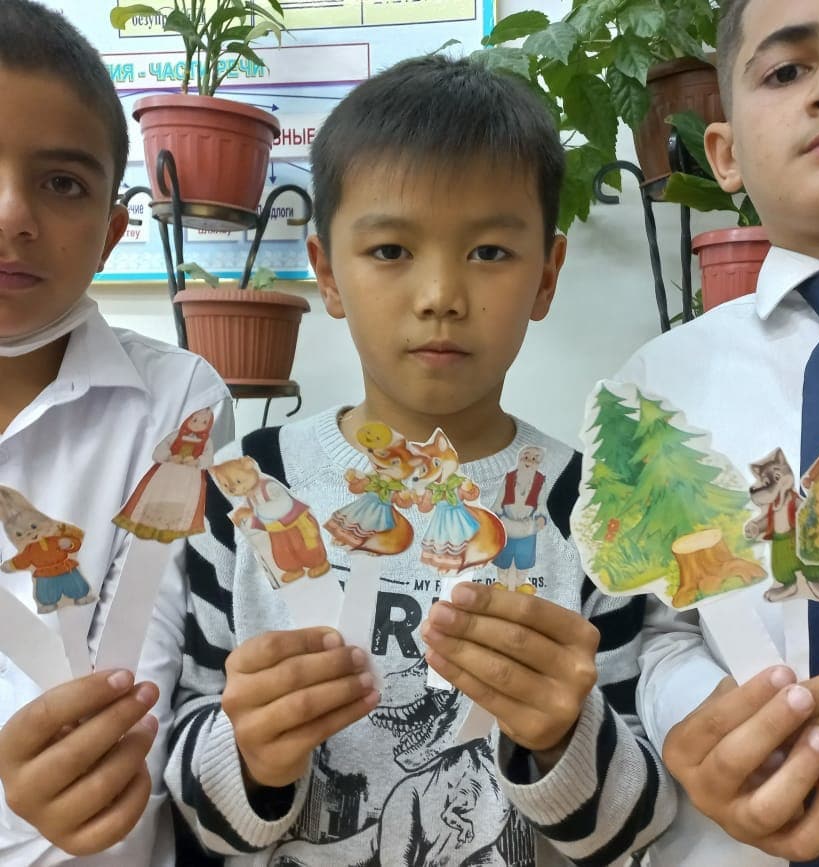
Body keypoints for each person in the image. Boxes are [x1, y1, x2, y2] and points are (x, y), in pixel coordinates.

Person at [165, 55, 676, 864]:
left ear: (546, 277)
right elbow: (190, 792)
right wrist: (250, 754)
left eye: (489, 252)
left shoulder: (591, 507)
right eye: (391, 249)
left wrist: (560, 736)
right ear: (327, 273)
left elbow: (631, 827)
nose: (440, 294)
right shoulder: (249, 490)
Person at [608, 0, 819, 863]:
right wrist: (695, 718)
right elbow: (655, 631)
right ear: (722, 155)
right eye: (787, 70)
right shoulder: (652, 392)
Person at [0, 1, 233, 864]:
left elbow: (147, 694)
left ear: (110, 233)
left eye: (61, 182)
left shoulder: (176, 403)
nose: (11, 213)